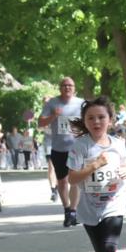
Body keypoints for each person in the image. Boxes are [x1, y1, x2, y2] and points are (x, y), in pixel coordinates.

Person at [65, 97, 126, 252]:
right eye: (91, 118)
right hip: (89, 207)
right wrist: (94, 165)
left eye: (101, 117)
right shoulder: (80, 146)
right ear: (84, 121)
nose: (96, 121)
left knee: (110, 248)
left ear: (110, 120)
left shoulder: (118, 143)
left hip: (114, 203)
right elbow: (72, 178)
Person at [38, 77, 84, 227]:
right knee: (62, 181)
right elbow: (40, 123)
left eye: (70, 85)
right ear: (60, 88)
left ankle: (73, 211)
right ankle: (66, 209)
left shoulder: (81, 103)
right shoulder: (52, 103)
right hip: (59, 148)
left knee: (75, 180)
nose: (67, 88)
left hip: (76, 149)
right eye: (64, 85)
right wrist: (54, 116)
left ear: (74, 87)